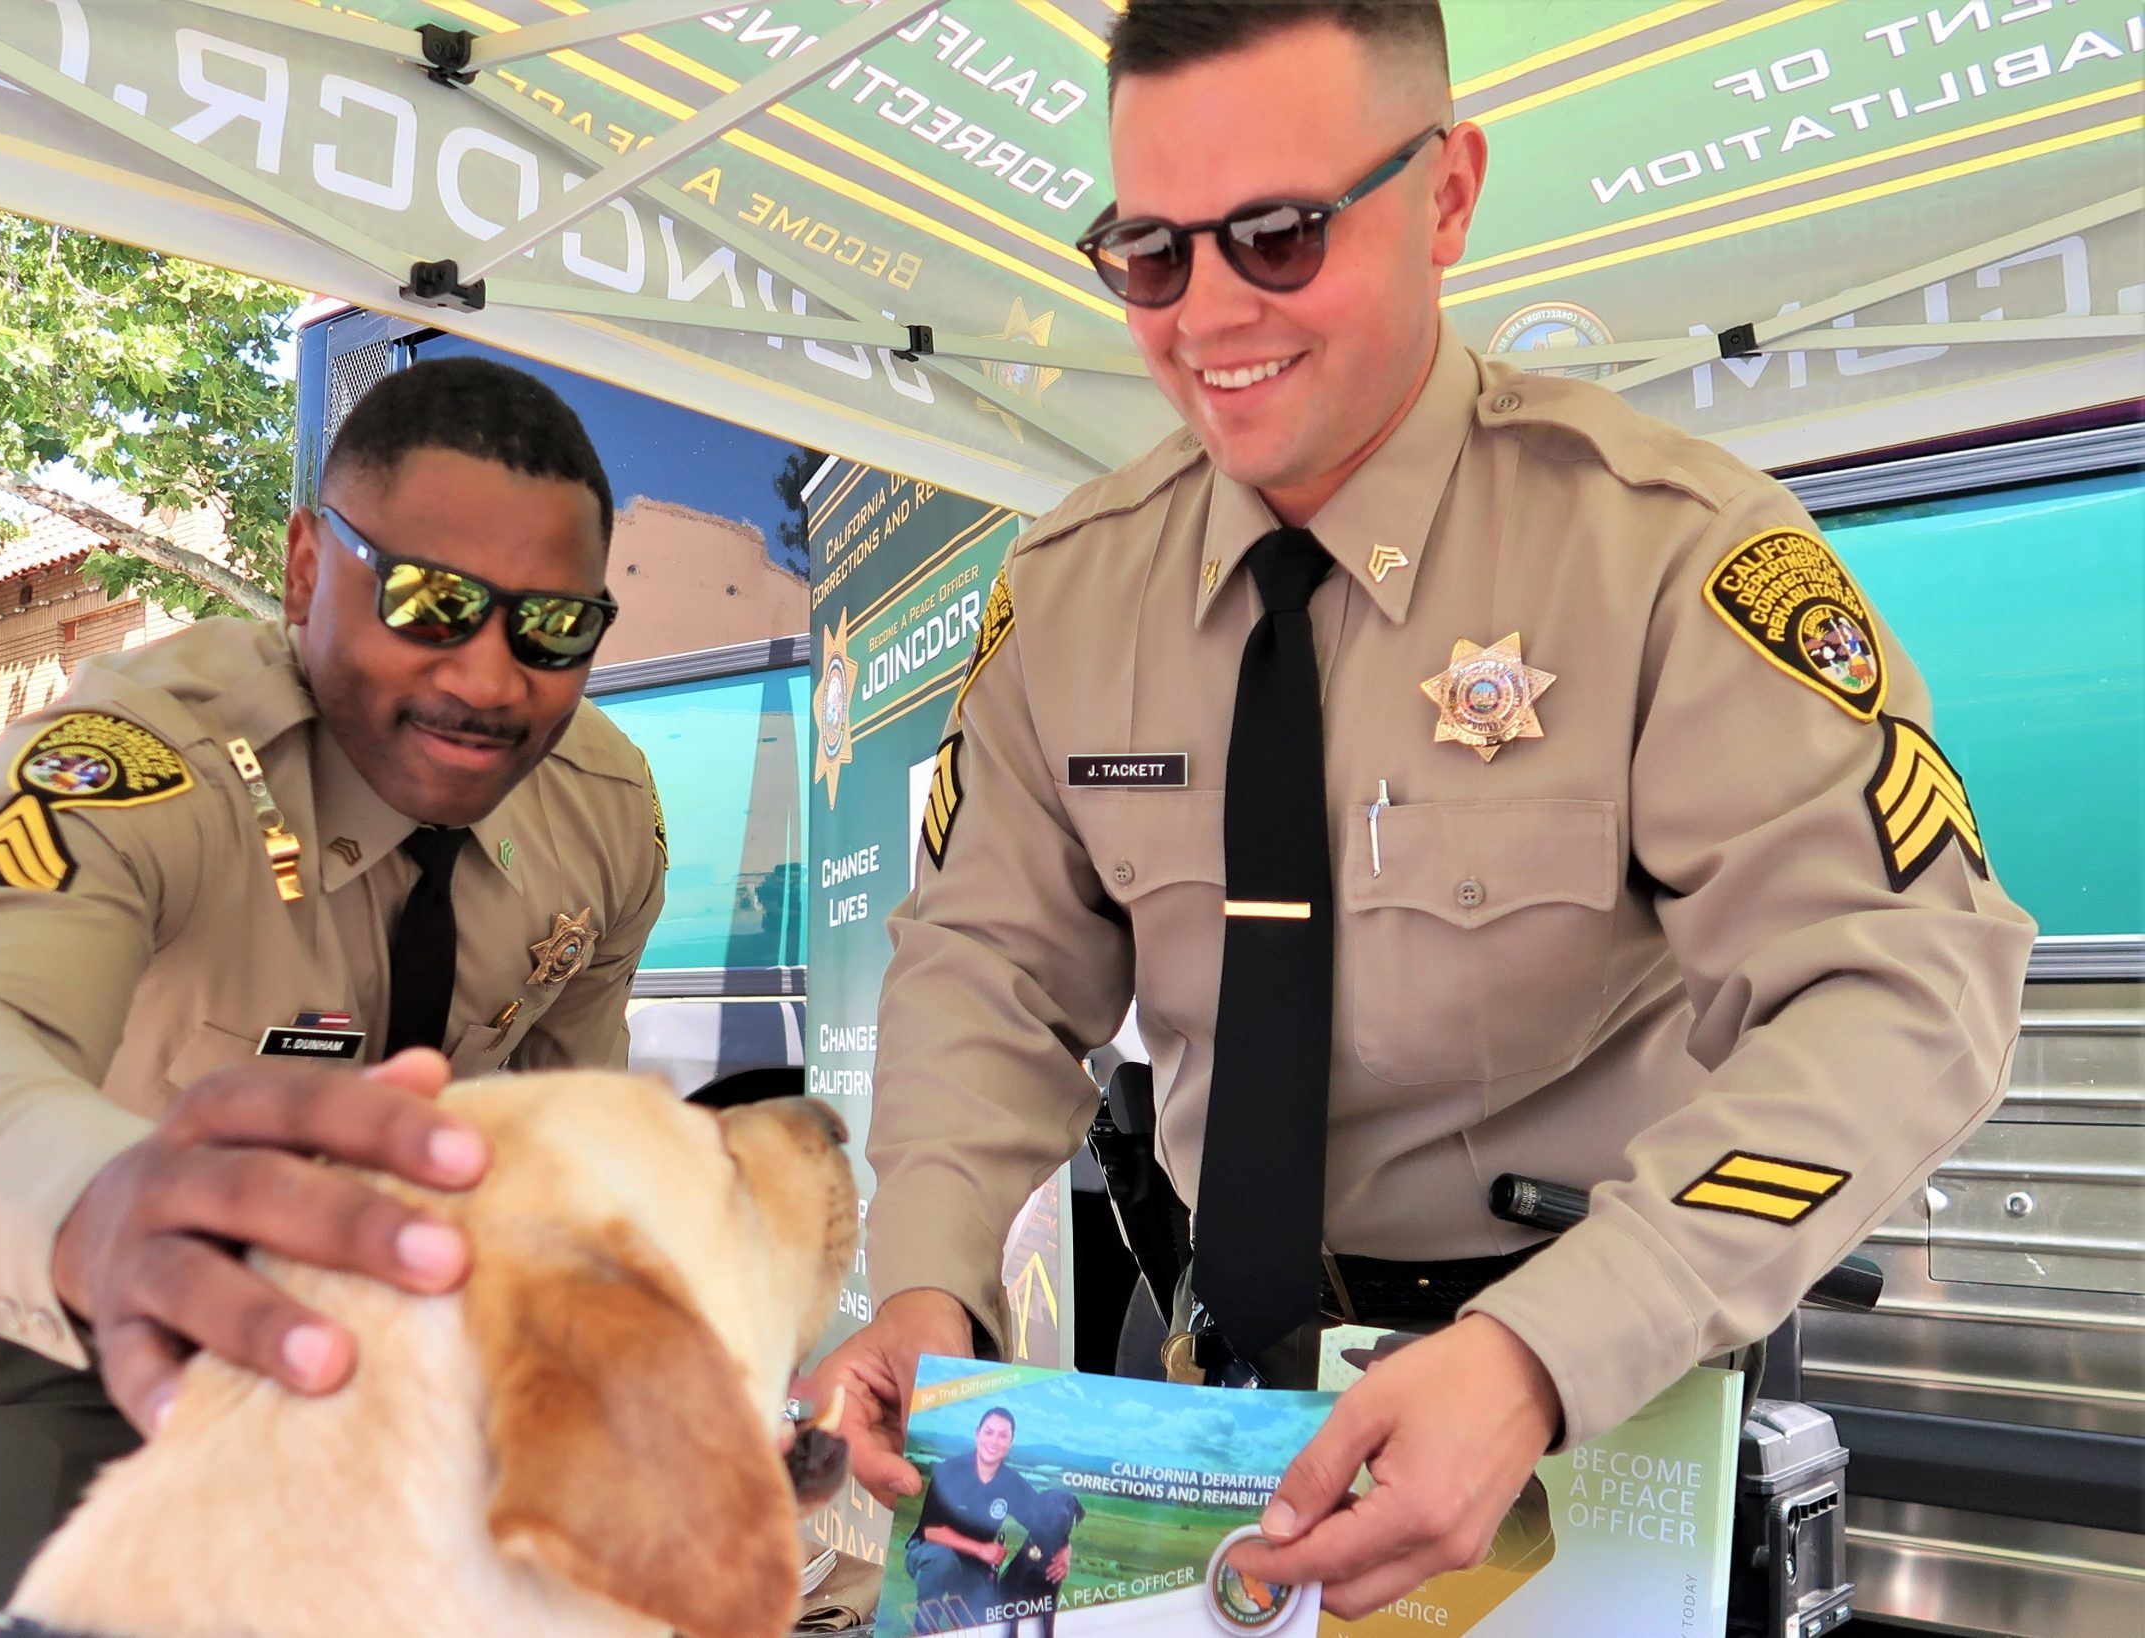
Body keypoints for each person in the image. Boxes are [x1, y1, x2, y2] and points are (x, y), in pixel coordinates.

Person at [810, 0, 2032, 1623]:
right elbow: (986, 967)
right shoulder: (1068, 595)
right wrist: (926, 1272)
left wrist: (1540, 1352)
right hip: (1218, 1414)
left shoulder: (1660, 555)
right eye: (1151, 255)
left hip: (1590, 1405)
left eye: (1278, 233)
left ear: (1447, 193)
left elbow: (1906, 984)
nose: (1211, 313)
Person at [0, 356, 668, 1638]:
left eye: (553, 627)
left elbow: (563, 1133)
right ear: (303, 569)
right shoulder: (154, 760)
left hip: (383, 1338)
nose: (494, 681)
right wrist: (91, 1211)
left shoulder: (603, 816)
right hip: (62, 1316)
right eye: (432, 603)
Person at [903, 1407, 1068, 1632]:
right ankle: (925, 1626)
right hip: (928, 1551)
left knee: (985, 1622)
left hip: (974, 1566)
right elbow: (932, 1531)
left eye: (1003, 1435)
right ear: (977, 1433)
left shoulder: (1012, 1483)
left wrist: (1066, 1550)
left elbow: (1045, 1521)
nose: (994, 1441)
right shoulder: (949, 1470)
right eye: (989, 1432)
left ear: (1010, 1442)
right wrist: (981, 1549)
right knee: (943, 1560)